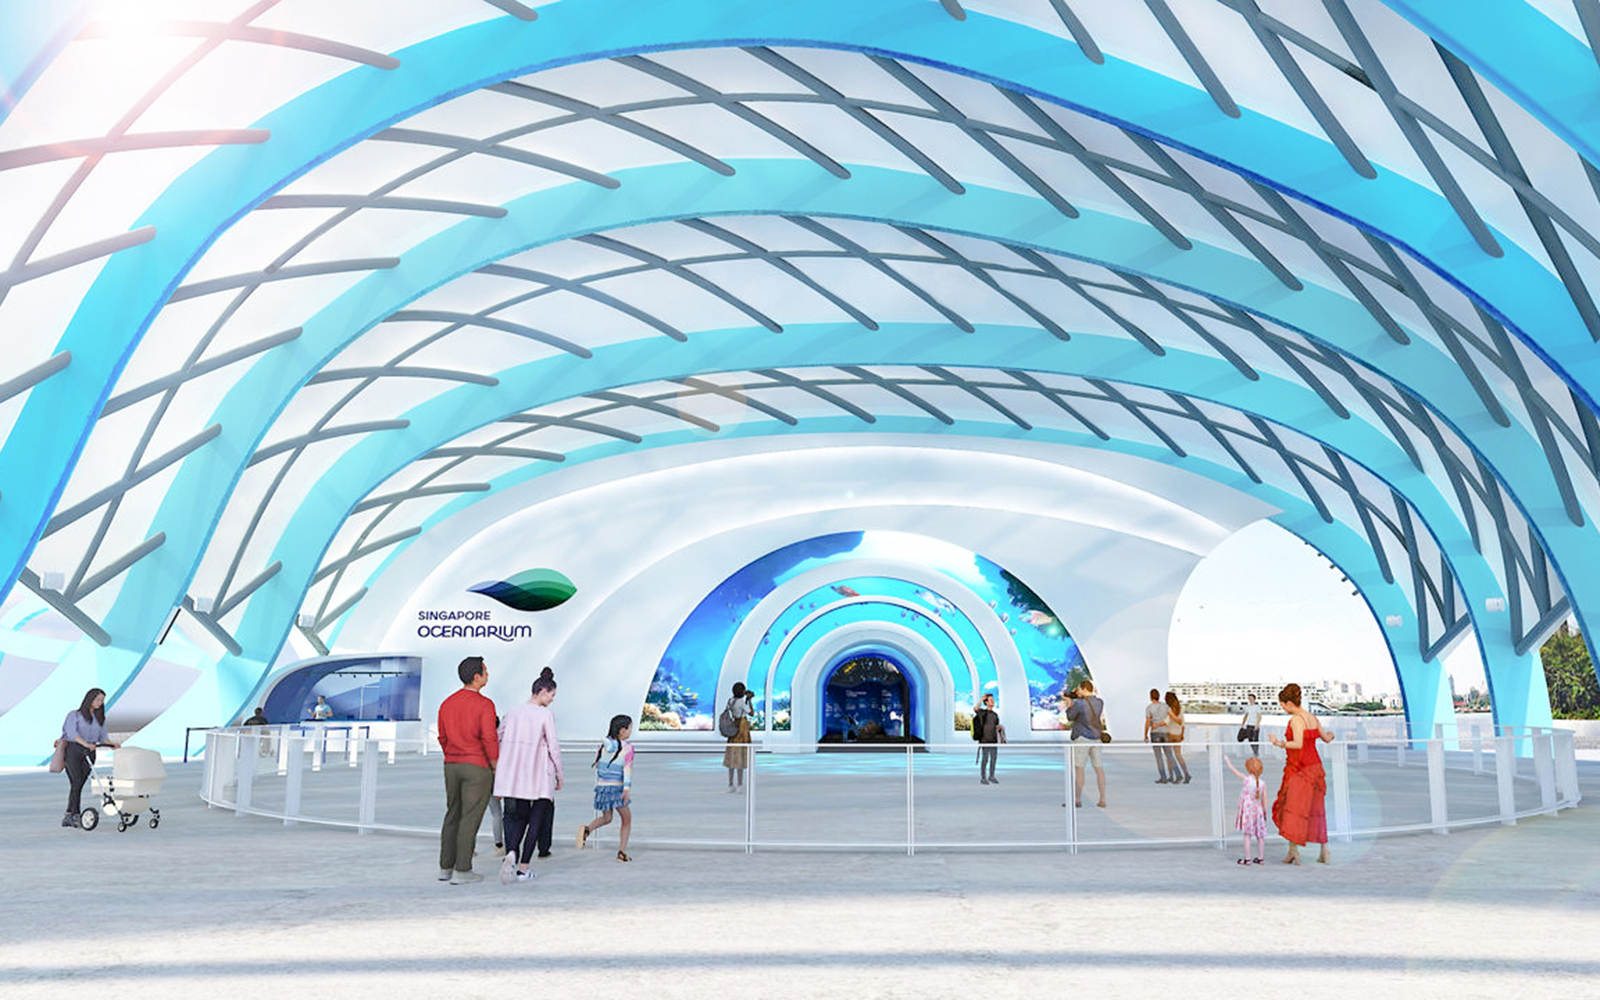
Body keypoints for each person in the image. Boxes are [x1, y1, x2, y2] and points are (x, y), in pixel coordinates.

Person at [495, 668, 563, 884]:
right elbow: (553, 746)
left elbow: (500, 737)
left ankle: (512, 851)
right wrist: (560, 774)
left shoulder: (513, 712)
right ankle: (524, 869)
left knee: (520, 817)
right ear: (543, 691)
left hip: (516, 773)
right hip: (540, 772)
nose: (552, 700)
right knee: (537, 819)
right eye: (552, 695)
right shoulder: (545, 715)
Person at [436, 656, 499, 884]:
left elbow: (442, 736)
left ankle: (445, 867)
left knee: (452, 814)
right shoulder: (485, 705)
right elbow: (489, 739)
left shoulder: (447, 703)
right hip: (477, 766)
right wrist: (495, 766)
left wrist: (451, 754)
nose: (488, 675)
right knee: (469, 818)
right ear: (476, 676)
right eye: (485, 671)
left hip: (451, 765)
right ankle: (463, 870)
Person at [1270, 683, 1335, 865]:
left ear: (1289, 702)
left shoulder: (1296, 720)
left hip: (1299, 768)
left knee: (1293, 809)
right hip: (1315, 767)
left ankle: (1294, 852)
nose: (1282, 708)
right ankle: (1324, 851)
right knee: (1316, 809)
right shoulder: (1313, 718)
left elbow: (1297, 744)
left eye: (1282, 704)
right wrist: (1331, 734)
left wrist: (1278, 743)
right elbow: (1327, 739)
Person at [577, 714, 634, 862]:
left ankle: (587, 830)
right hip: (617, 789)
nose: (630, 732)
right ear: (622, 730)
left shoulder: (603, 745)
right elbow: (627, 770)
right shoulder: (628, 748)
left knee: (607, 817)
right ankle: (621, 853)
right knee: (626, 820)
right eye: (630, 729)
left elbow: (597, 765)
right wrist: (626, 789)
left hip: (602, 788)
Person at [59, 688, 118, 827]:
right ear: (90, 699)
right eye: (98, 699)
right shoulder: (74, 715)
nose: (100, 702)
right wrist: (86, 744)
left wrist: (112, 744)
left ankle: (69, 815)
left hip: (90, 752)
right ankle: (75, 814)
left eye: (102, 700)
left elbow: (103, 737)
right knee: (77, 781)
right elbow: (72, 734)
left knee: (78, 784)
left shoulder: (99, 718)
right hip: (74, 750)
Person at [1060, 681, 1106, 808]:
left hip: (1082, 737)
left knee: (1079, 768)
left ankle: (1077, 799)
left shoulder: (1079, 703)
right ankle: (1102, 799)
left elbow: (1070, 717)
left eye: (1079, 689)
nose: (1078, 692)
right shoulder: (1100, 702)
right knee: (1099, 768)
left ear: (1084, 688)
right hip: (1096, 738)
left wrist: (1069, 702)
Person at [1225, 754, 1268, 865]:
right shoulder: (1263, 784)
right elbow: (1264, 800)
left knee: (1247, 835)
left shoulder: (1247, 779)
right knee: (1260, 835)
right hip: (1258, 811)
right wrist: (1264, 813)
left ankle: (1247, 859)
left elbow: (1233, 770)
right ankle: (1261, 857)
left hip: (1248, 812)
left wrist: (1227, 760)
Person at [1143, 688, 1177, 784]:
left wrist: (1145, 735)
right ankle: (1177, 774)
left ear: (1151, 697)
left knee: (1159, 757)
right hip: (1165, 733)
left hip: (1155, 733)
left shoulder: (1149, 708)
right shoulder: (1165, 706)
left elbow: (1147, 722)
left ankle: (1163, 777)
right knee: (1169, 755)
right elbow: (1171, 717)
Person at [722, 682, 752, 793]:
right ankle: (739, 784)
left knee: (732, 757)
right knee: (740, 757)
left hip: (734, 728)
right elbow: (751, 713)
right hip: (742, 730)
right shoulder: (741, 703)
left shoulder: (731, 701)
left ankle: (730, 784)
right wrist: (749, 700)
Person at [1163, 691, 1191, 784]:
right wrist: (1182, 734)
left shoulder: (1169, 709)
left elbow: (1166, 722)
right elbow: (1183, 723)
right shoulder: (1180, 708)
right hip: (1178, 735)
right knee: (1179, 755)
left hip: (1169, 735)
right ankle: (1186, 774)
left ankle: (1171, 776)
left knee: (1169, 757)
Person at [972, 694, 1001, 784]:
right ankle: (983, 777)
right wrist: (981, 699)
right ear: (986, 702)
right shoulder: (982, 712)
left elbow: (996, 726)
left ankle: (991, 776)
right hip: (984, 740)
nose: (992, 701)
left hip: (993, 740)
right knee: (985, 759)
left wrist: (999, 728)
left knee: (993, 759)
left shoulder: (995, 715)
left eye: (993, 700)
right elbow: (975, 709)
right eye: (990, 700)